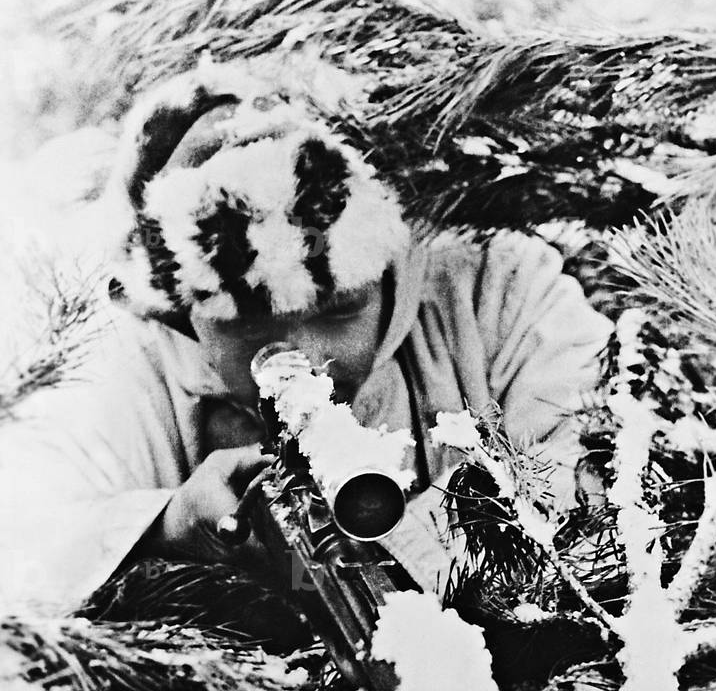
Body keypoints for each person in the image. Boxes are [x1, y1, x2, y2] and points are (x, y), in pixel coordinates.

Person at [0, 60, 612, 613]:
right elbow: (22, 538)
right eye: (247, 325)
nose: (310, 361)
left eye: (339, 311)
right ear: (183, 314)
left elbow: (595, 487)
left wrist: (405, 540)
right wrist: (167, 527)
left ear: (393, 271)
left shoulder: (492, 287)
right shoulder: (119, 354)